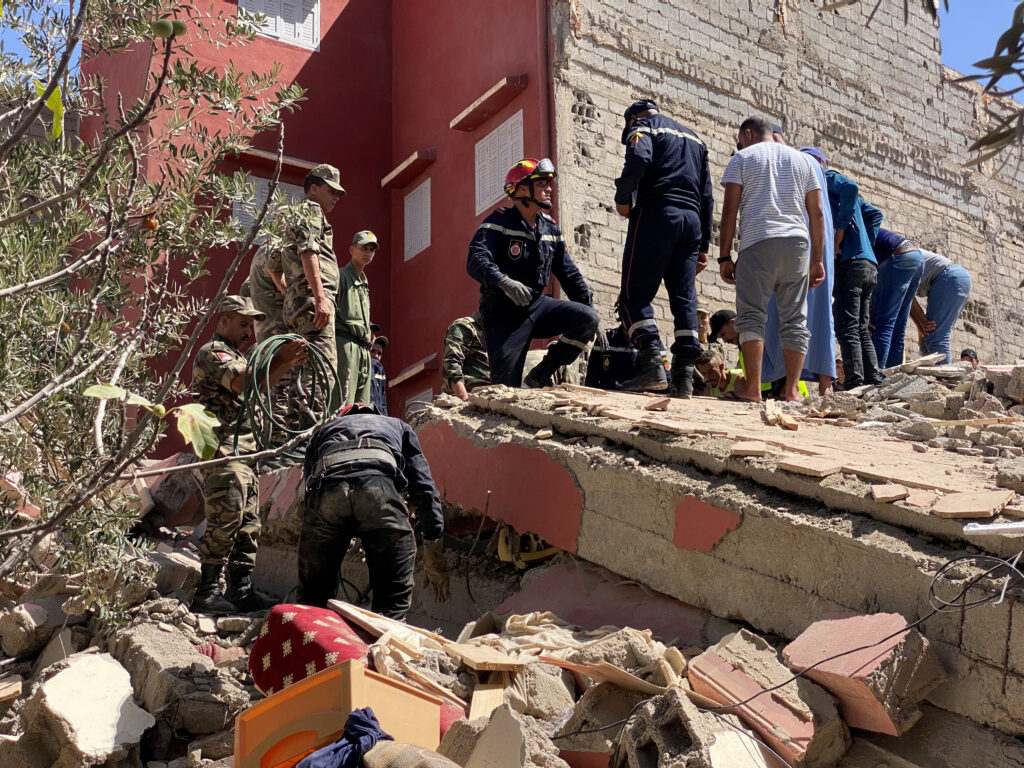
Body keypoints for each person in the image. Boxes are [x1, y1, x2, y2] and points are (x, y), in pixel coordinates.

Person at [191, 295, 307, 613]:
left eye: (251, 324)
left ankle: (241, 590)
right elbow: (243, 384)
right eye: (243, 323)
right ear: (223, 321)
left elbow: (258, 385)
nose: (249, 330)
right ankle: (207, 590)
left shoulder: (237, 356)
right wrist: (279, 357)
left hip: (245, 450)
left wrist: (286, 361)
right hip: (222, 447)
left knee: (248, 523)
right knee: (226, 516)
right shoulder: (212, 352)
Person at [298, 403, 450, 620]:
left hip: (328, 490)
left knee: (312, 602)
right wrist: (434, 546)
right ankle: (383, 646)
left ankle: (312, 645)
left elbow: (309, 488)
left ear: (344, 417)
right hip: (379, 487)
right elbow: (424, 489)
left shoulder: (325, 430)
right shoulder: (397, 426)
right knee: (392, 607)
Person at [717, 116, 825, 402]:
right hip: (797, 245)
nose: (738, 145)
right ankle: (791, 391)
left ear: (748, 134)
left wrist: (725, 255)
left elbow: (730, 210)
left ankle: (752, 389)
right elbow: (816, 213)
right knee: (794, 320)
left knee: (752, 315)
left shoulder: (742, 159)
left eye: (739, 140)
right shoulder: (804, 162)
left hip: (758, 241)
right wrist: (817, 260)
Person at [466, 158, 599, 388]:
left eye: (550, 183)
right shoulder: (498, 222)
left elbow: (570, 275)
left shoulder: (550, 229)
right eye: (542, 183)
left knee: (587, 318)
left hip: (537, 307)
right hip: (503, 315)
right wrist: (503, 282)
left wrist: (591, 313)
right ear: (522, 188)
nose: (549, 188)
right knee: (506, 389)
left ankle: (542, 373)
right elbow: (476, 259)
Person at [612, 99, 714, 396]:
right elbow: (706, 196)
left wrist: (623, 197)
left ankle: (652, 363)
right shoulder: (696, 140)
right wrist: (704, 244)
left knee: (633, 294)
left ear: (633, 120)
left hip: (656, 214)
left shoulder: (641, 129)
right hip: (691, 223)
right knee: (685, 299)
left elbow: (639, 159)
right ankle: (683, 378)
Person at [760, 147, 837, 395]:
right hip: (818, 251)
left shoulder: (797, 168)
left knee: (784, 312)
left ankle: (786, 385)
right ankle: (822, 385)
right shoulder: (820, 178)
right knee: (821, 314)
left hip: (797, 246)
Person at [280, 163, 345, 425]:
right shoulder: (311, 210)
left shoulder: (298, 214)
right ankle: (310, 437)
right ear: (314, 188)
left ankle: (296, 437)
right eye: (331, 191)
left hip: (300, 305)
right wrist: (320, 298)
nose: (336, 198)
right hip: (311, 305)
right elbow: (308, 252)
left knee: (303, 370)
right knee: (320, 372)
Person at [823, 162, 884, 389]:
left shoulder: (825, 177)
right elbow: (876, 214)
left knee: (847, 326)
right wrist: (865, 243)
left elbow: (850, 186)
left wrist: (841, 234)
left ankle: (854, 381)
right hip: (868, 264)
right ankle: (872, 379)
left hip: (849, 263)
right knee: (860, 327)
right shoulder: (851, 204)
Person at [870, 228, 924, 369]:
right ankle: (892, 379)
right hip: (916, 257)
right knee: (897, 328)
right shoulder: (860, 225)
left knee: (883, 325)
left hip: (897, 258)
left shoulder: (841, 232)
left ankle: (875, 377)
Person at [335, 230, 376, 406]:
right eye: (363, 248)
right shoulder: (341, 276)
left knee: (362, 407)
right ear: (352, 249)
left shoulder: (364, 283)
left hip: (363, 349)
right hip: (345, 345)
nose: (368, 253)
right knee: (343, 403)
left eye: (371, 249)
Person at [910, 250, 972, 364]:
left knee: (937, 338)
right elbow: (905, 302)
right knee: (926, 340)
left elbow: (906, 295)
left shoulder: (887, 260)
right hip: (951, 279)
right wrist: (920, 325)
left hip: (949, 278)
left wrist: (922, 321)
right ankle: (930, 379)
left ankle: (944, 379)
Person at [442, 313, 491, 400]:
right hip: (470, 395)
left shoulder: (498, 332)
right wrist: (463, 399)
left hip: (493, 397)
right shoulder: (464, 326)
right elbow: (451, 362)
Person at [248, 244, 288, 342]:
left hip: (265, 329)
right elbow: (287, 290)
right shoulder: (278, 247)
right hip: (278, 330)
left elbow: (245, 288)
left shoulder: (265, 248)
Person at [369, 330, 389, 416]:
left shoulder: (380, 370)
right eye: (373, 351)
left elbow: (383, 401)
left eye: (379, 353)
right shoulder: (366, 366)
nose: (376, 356)